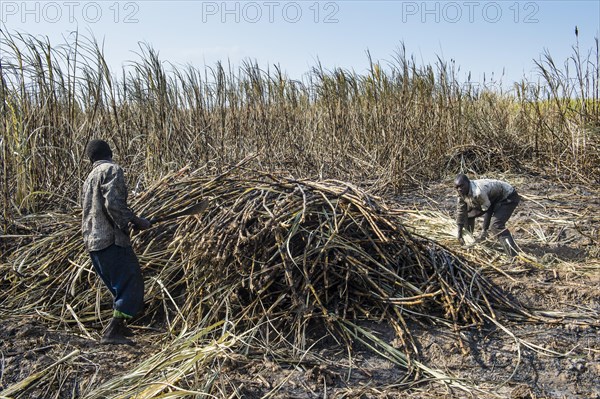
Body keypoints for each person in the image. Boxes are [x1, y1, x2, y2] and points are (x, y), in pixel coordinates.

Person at [82, 139, 151, 345]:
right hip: (111, 240)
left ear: (91, 158)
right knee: (132, 284)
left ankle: (120, 327)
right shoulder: (112, 169)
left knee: (119, 287)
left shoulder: (89, 178)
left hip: (93, 242)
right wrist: (134, 221)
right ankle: (112, 331)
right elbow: (113, 203)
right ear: (110, 152)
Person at [454, 174, 520, 257]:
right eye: (457, 187)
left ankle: (513, 255)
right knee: (468, 215)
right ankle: (469, 240)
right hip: (493, 198)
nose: (459, 189)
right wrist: (459, 232)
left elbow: (488, 209)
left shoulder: (478, 192)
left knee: (496, 225)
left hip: (508, 196)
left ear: (468, 182)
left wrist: (484, 230)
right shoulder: (460, 192)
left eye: (462, 186)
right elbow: (461, 211)